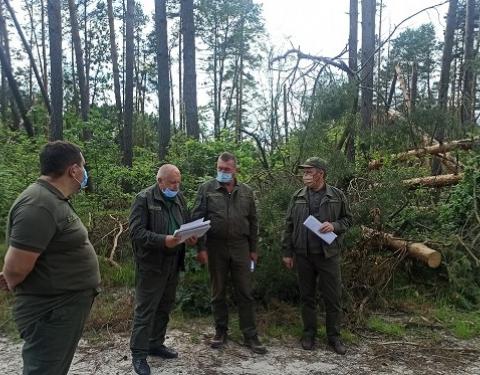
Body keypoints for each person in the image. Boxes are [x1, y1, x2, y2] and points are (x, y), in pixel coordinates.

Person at [0, 141, 101, 375]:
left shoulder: (52, 199)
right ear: (73, 170)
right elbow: (15, 267)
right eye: (83, 166)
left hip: (61, 308)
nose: (85, 173)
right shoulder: (38, 204)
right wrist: (11, 278)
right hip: (50, 311)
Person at [192, 152, 266, 354]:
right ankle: (220, 331)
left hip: (241, 247)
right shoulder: (207, 189)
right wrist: (201, 248)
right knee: (218, 292)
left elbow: (253, 222)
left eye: (227, 169)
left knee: (245, 292)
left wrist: (253, 250)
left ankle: (250, 335)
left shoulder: (247, 191)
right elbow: (197, 220)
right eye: (220, 169)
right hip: (216, 247)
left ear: (236, 170)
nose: (223, 172)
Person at [129, 164, 197, 375]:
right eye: (172, 183)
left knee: (165, 306)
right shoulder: (144, 199)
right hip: (151, 264)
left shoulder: (179, 199)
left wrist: (190, 237)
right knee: (146, 310)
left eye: (178, 182)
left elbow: (184, 225)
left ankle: (155, 344)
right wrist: (163, 241)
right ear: (160, 182)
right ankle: (139, 355)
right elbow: (136, 233)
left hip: (173, 262)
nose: (176, 186)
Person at [281, 157, 352, 355]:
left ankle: (334, 337)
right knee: (307, 297)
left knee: (333, 298)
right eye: (304, 172)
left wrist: (335, 226)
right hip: (303, 255)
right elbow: (288, 225)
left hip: (328, 255)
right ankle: (309, 334)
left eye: (309, 172)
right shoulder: (297, 196)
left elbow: (348, 220)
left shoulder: (337, 195)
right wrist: (287, 252)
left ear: (320, 173)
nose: (305, 175)